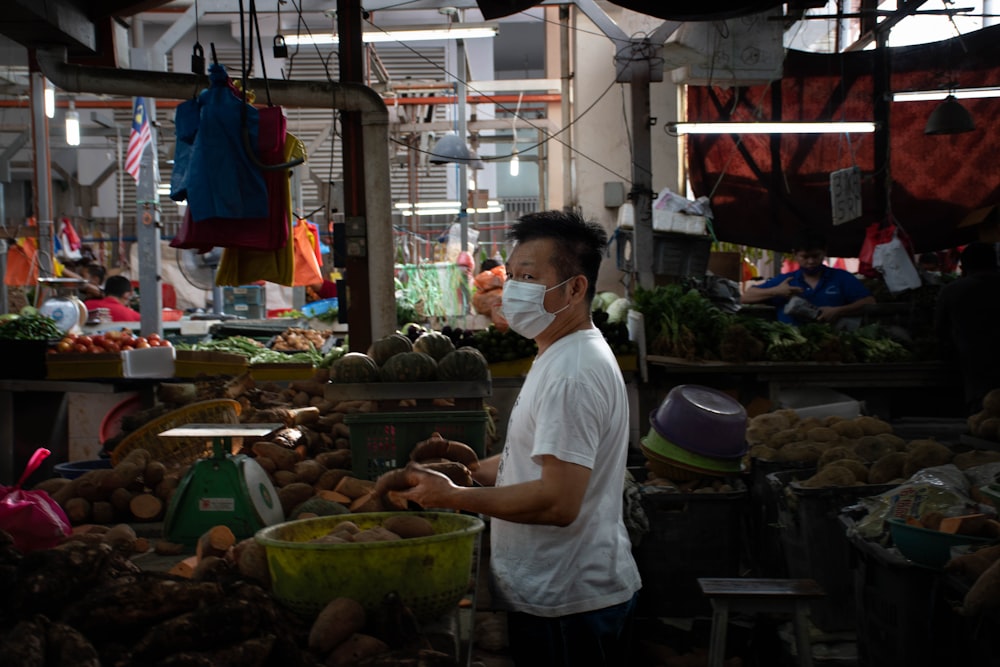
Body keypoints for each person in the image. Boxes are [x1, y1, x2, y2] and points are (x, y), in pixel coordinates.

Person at [387, 211, 641, 667]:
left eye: (529, 276)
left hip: (568, 603)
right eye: (513, 275)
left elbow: (558, 502)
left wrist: (457, 496)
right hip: (557, 594)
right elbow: (544, 459)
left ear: (575, 288)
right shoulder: (558, 353)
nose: (514, 289)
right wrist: (471, 470)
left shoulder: (573, 373)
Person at [741, 231, 875, 325]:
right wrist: (776, 291)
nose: (810, 261)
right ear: (795, 254)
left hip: (833, 344)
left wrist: (838, 311)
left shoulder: (841, 278)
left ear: (824, 252)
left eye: (815, 256)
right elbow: (745, 297)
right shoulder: (786, 281)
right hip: (794, 345)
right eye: (805, 257)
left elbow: (869, 301)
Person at [934, 242, 1000, 415]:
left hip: (973, 363)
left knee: (983, 416)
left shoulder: (952, 290)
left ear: (963, 267)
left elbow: (939, 329)